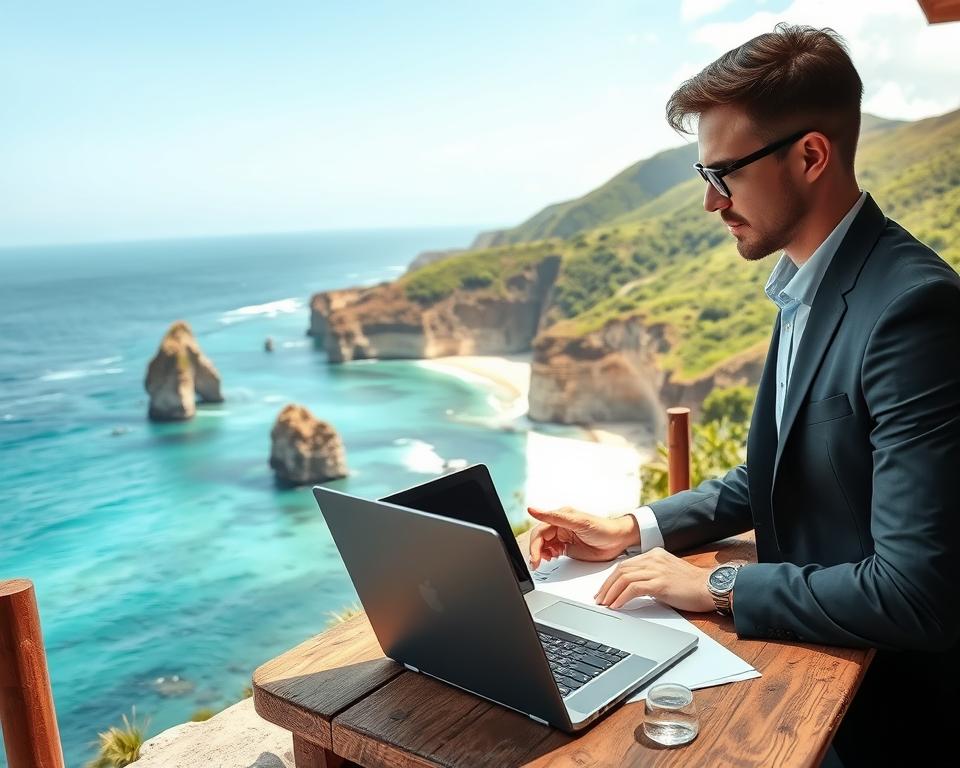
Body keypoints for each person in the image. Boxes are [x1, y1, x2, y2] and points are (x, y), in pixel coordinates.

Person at [526, 24, 959, 766]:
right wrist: (634, 528)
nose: (708, 201)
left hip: (887, 720)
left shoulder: (914, 311)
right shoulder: (808, 285)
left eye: (724, 173)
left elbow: (916, 593)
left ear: (811, 156)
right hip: (817, 676)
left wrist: (721, 585)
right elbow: (787, 468)